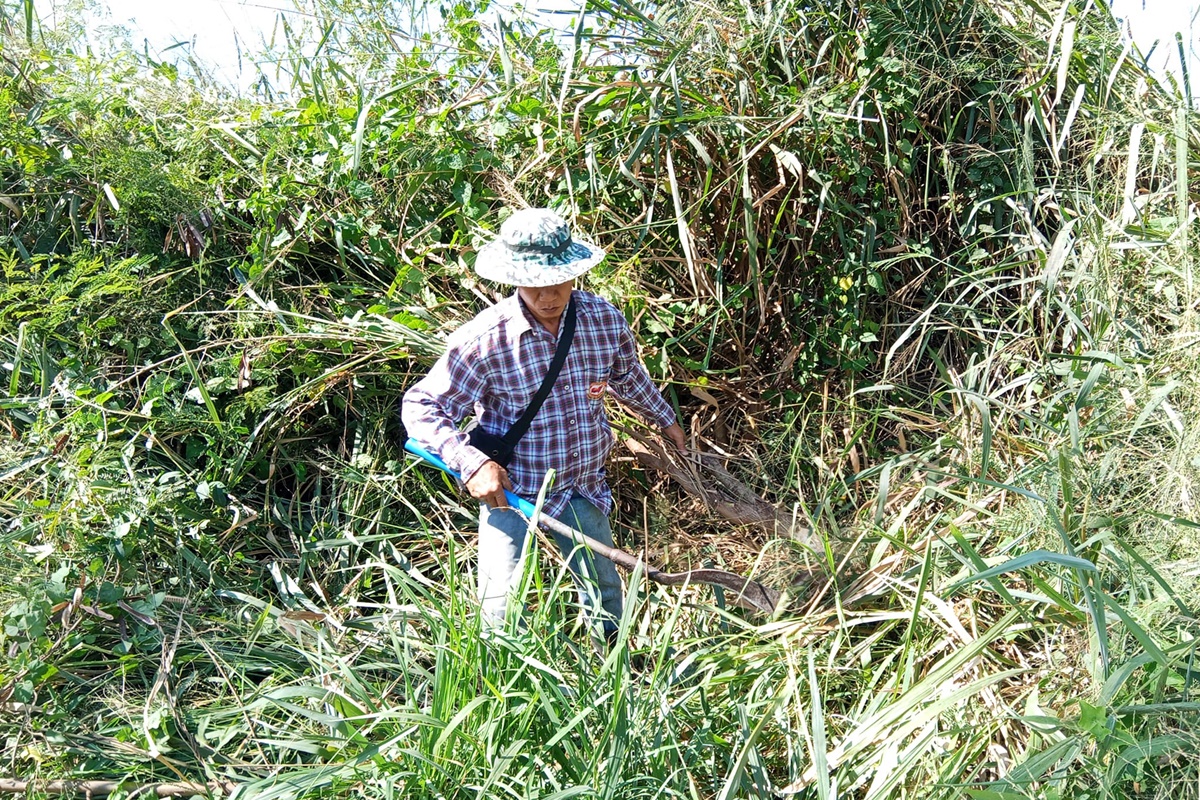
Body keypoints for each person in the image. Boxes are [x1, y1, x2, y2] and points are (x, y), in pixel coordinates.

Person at [402, 208, 686, 642]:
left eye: (558, 283)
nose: (548, 296)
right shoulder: (486, 340)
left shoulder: (602, 321)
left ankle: (612, 667)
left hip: (583, 483)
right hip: (514, 491)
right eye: (534, 286)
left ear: (574, 273)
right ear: (514, 279)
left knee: (605, 590)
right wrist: (470, 462)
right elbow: (421, 405)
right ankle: (501, 685)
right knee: (501, 605)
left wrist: (665, 420)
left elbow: (628, 377)